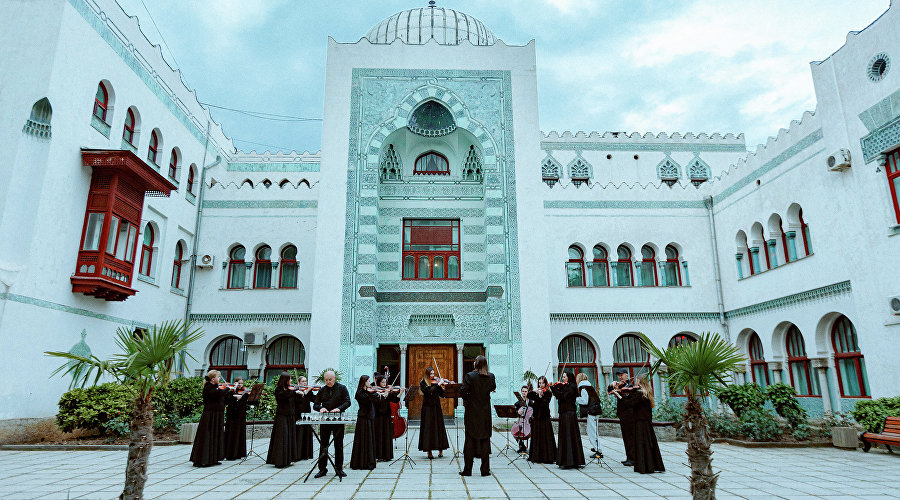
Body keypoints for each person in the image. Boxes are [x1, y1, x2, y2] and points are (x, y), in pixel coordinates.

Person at [617, 376, 665, 474]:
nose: (636, 383)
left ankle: (645, 466)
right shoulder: (645, 393)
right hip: (646, 422)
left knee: (641, 443)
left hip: (641, 422)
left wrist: (618, 395)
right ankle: (652, 465)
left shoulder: (640, 394)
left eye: (637, 381)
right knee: (649, 444)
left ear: (640, 382)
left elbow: (629, 403)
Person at [459, 355, 496, 477]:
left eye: (475, 361)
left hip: (472, 413)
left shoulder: (470, 376)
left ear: (476, 363)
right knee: (485, 441)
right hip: (485, 413)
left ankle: (467, 470)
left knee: (469, 441)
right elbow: (492, 387)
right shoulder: (491, 376)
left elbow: (463, 391)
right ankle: (485, 470)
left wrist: (468, 397)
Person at [313, 370, 351, 478]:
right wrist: (321, 408)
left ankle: (339, 469)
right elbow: (315, 405)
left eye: (330, 379)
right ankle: (322, 469)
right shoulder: (322, 390)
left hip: (338, 420)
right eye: (326, 380)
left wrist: (339, 409)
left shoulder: (342, 388)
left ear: (334, 378)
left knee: (338, 444)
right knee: (323, 444)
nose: (328, 382)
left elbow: (348, 402)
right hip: (325, 420)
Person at [190, 370, 230, 467]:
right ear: (213, 379)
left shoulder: (215, 387)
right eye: (218, 377)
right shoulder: (208, 388)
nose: (219, 379)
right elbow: (217, 394)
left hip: (217, 415)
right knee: (208, 436)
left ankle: (214, 458)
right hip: (210, 415)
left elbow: (222, 397)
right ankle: (203, 459)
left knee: (215, 435)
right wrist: (227, 389)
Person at [550, 371, 585, 469]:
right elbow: (560, 393)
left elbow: (562, 396)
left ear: (569, 377)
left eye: (564, 377)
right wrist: (556, 387)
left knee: (570, 436)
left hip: (569, 414)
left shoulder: (572, 387)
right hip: (564, 413)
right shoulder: (566, 386)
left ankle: (571, 460)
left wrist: (553, 388)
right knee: (565, 436)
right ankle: (565, 460)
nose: (563, 379)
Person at [266, 372, 299, 468]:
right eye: (290, 379)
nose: (291, 381)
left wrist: (300, 393)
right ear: (285, 380)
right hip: (282, 416)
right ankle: (280, 460)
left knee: (289, 437)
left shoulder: (290, 390)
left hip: (290, 415)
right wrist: (292, 391)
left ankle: (288, 459)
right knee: (282, 437)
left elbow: (295, 400)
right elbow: (283, 396)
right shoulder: (279, 389)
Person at [418, 367, 450, 459]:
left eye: (433, 373)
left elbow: (442, 394)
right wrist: (439, 384)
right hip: (427, 408)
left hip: (436, 407)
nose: (433, 375)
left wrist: (447, 387)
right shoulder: (423, 382)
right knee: (428, 428)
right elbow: (429, 392)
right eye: (431, 374)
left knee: (439, 427)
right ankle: (429, 451)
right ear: (427, 374)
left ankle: (441, 449)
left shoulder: (436, 382)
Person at [609, 368, 636, 466]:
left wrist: (618, 393)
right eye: (619, 376)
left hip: (629, 414)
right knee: (625, 437)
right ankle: (628, 457)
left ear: (627, 375)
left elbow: (627, 400)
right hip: (622, 414)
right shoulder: (620, 385)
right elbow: (609, 390)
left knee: (630, 437)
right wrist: (612, 385)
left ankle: (633, 458)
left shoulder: (631, 386)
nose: (620, 377)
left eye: (622, 375)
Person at [526, 376, 557, 464]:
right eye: (539, 383)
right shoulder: (536, 392)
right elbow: (529, 396)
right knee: (536, 436)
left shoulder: (547, 393)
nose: (541, 384)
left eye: (542, 383)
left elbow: (544, 403)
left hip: (544, 417)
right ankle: (536, 456)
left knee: (545, 436)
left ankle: (547, 457)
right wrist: (534, 391)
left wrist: (541, 396)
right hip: (536, 417)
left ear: (545, 383)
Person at [350, 375, 378, 470]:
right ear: (364, 382)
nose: (370, 383)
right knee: (362, 439)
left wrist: (379, 393)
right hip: (363, 417)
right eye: (369, 381)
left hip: (370, 417)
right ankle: (360, 463)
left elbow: (375, 400)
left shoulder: (368, 392)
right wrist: (373, 392)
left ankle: (369, 461)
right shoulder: (360, 393)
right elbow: (367, 400)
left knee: (369, 440)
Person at [575, 373, 603, 459]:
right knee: (591, 430)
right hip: (594, 410)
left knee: (592, 431)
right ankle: (596, 447)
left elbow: (585, 401)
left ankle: (598, 450)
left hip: (592, 412)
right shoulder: (589, 387)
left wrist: (576, 398)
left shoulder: (583, 388)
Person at [372, 374, 400, 462]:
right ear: (379, 383)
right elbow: (377, 403)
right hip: (378, 416)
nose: (384, 384)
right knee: (379, 435)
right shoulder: (376, 392)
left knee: (387, 435)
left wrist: (400, 392)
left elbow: (395, 400)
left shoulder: (388, 391)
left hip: (387, 415)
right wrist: (384, 394)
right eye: (382, 382)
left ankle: (387, 456)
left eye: (385, 382)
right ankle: (379, 455)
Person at [224, 377, 251, 460]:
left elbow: (247, 402)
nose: (240, 385)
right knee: (232, 433)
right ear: (235, 383)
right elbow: (226, 400)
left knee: (240, 433)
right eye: (238, 383)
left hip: (241, 414)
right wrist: (234, 396)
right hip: (232, 415)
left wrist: (246, 396)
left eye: (241, 383)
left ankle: (240, 452)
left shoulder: (244, 392)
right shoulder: (230, 391)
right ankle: (231, 454)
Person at [294, 375, 315, 460]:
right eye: (303, 381)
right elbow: (297, 401)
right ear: (299, 383)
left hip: (307, 414)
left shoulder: (308, 391)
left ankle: (306, 454)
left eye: (305, 381)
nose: (305, 383)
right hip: (298, 414)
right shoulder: (296, 392)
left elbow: (314, 399)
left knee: (307, 433)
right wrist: (305, 392)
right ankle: (298, 454)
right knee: (299, 433)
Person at [513, 384, 531, 454]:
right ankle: (521, 445)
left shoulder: (530, 402)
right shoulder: (518, 403)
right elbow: (514, 412)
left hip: (529, 421)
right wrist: (518, 412)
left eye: (525, 391)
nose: (524, 392)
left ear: (528, 392)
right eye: (523, 391)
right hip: (521, 420)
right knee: (515, 430)